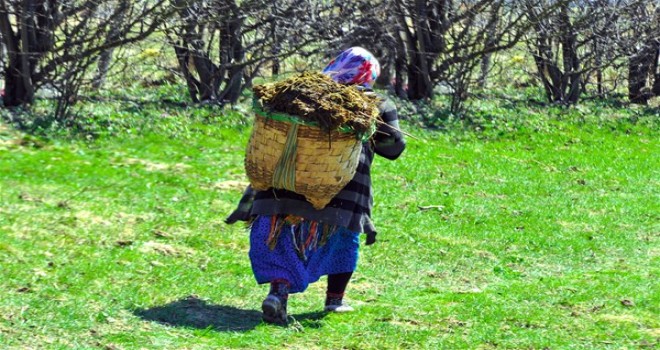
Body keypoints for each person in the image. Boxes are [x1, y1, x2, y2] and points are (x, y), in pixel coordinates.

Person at [226, 47, 406, 325]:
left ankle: (279, 292)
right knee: (342, 241)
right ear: (370, 75)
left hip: (284, 186)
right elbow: (394, 148)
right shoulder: (375, 103)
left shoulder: (299, 94)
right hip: (342, 191)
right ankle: (335, 300)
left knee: (281, 236)